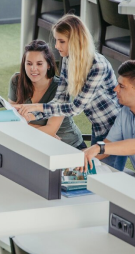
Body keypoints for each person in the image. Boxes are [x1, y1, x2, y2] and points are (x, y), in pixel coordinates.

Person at [15, 14, 126, 170]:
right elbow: (60, 99)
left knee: (107, 178)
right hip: (98, 126)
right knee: (94, 177)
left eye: (62, 41)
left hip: (114, 130)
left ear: (75, 41)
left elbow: (75, 108)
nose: (56, 46)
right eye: (56, 40)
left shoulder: (97, 66)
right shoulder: (68, 59)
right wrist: (29, 115)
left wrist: (37, 107)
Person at [8, 39, 85, 149]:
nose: (33, 69)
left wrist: (24, 128)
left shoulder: (61, 88)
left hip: (68, 146)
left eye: (39, 64)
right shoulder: (16, 81)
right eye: (29, 63)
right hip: (38, 142)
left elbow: (50, 129)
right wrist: (43, 132)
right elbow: (12, 120)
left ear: (49, 65)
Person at [83, 60, 135, 172]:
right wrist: (78, 159)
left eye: (121, 86)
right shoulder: (125, 112)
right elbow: (108, 145)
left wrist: (98, 148)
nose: (116, 89)